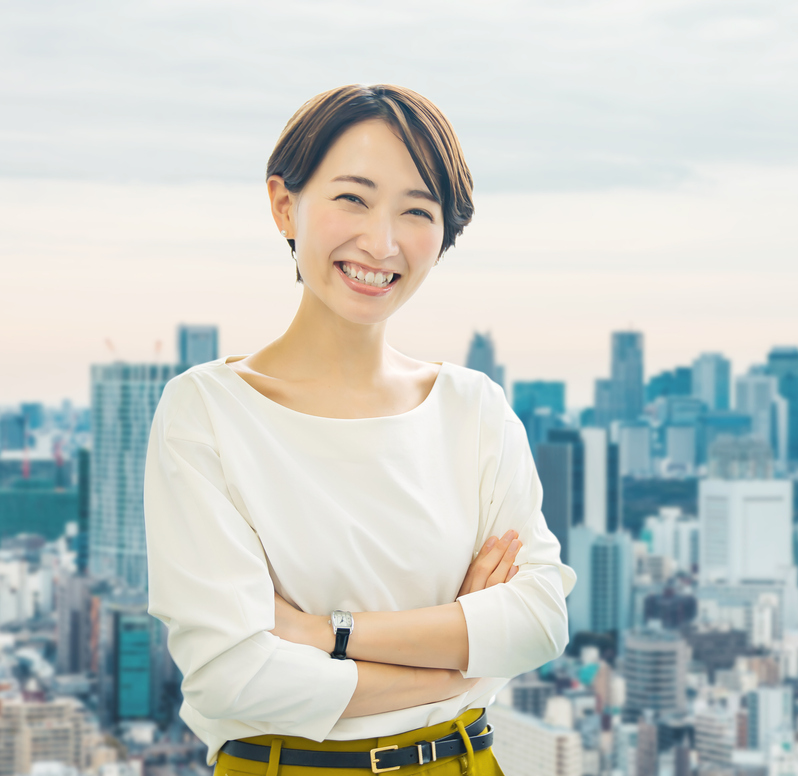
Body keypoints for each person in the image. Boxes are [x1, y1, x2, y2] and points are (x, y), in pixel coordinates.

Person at [143, 84, 577, 776]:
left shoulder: (472, 408)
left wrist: (324, 634)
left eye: (416, 210)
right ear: (285, 205)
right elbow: (234, 675)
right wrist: (452, 663)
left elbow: (537, 623)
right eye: (352, 198)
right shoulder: (209, 412)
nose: (381, 241)